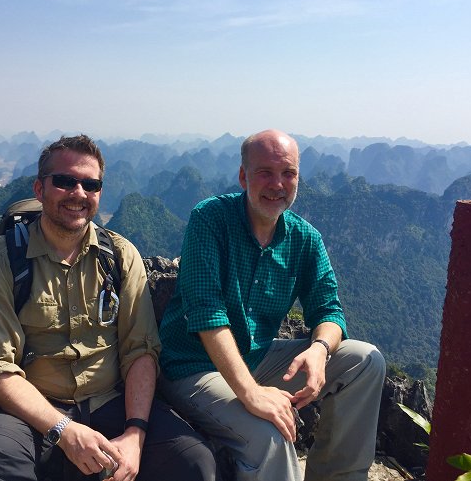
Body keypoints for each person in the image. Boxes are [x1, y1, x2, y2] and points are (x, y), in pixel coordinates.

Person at [0, 135, 216, 481]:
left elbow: (140, 350)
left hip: (110, 401)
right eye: (65, 181)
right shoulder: (3, 262)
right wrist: (65, 431)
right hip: (36, 410)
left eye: (90, 184)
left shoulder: (121, 256)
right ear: (39, 189)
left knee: (193, 460)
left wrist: (135, 435)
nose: (78, 193)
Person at [158, 129, 386, 481]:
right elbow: (207, 313)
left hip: (257, 357)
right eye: (265, 172)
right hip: (194, 366)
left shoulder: (304, 239)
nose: (277, 184)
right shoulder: (210, 219)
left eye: (288, 173)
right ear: (242, 176)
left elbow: (329, 310)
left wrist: (320, 349)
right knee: (270, 434)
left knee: (364, 361)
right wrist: (250, 394)